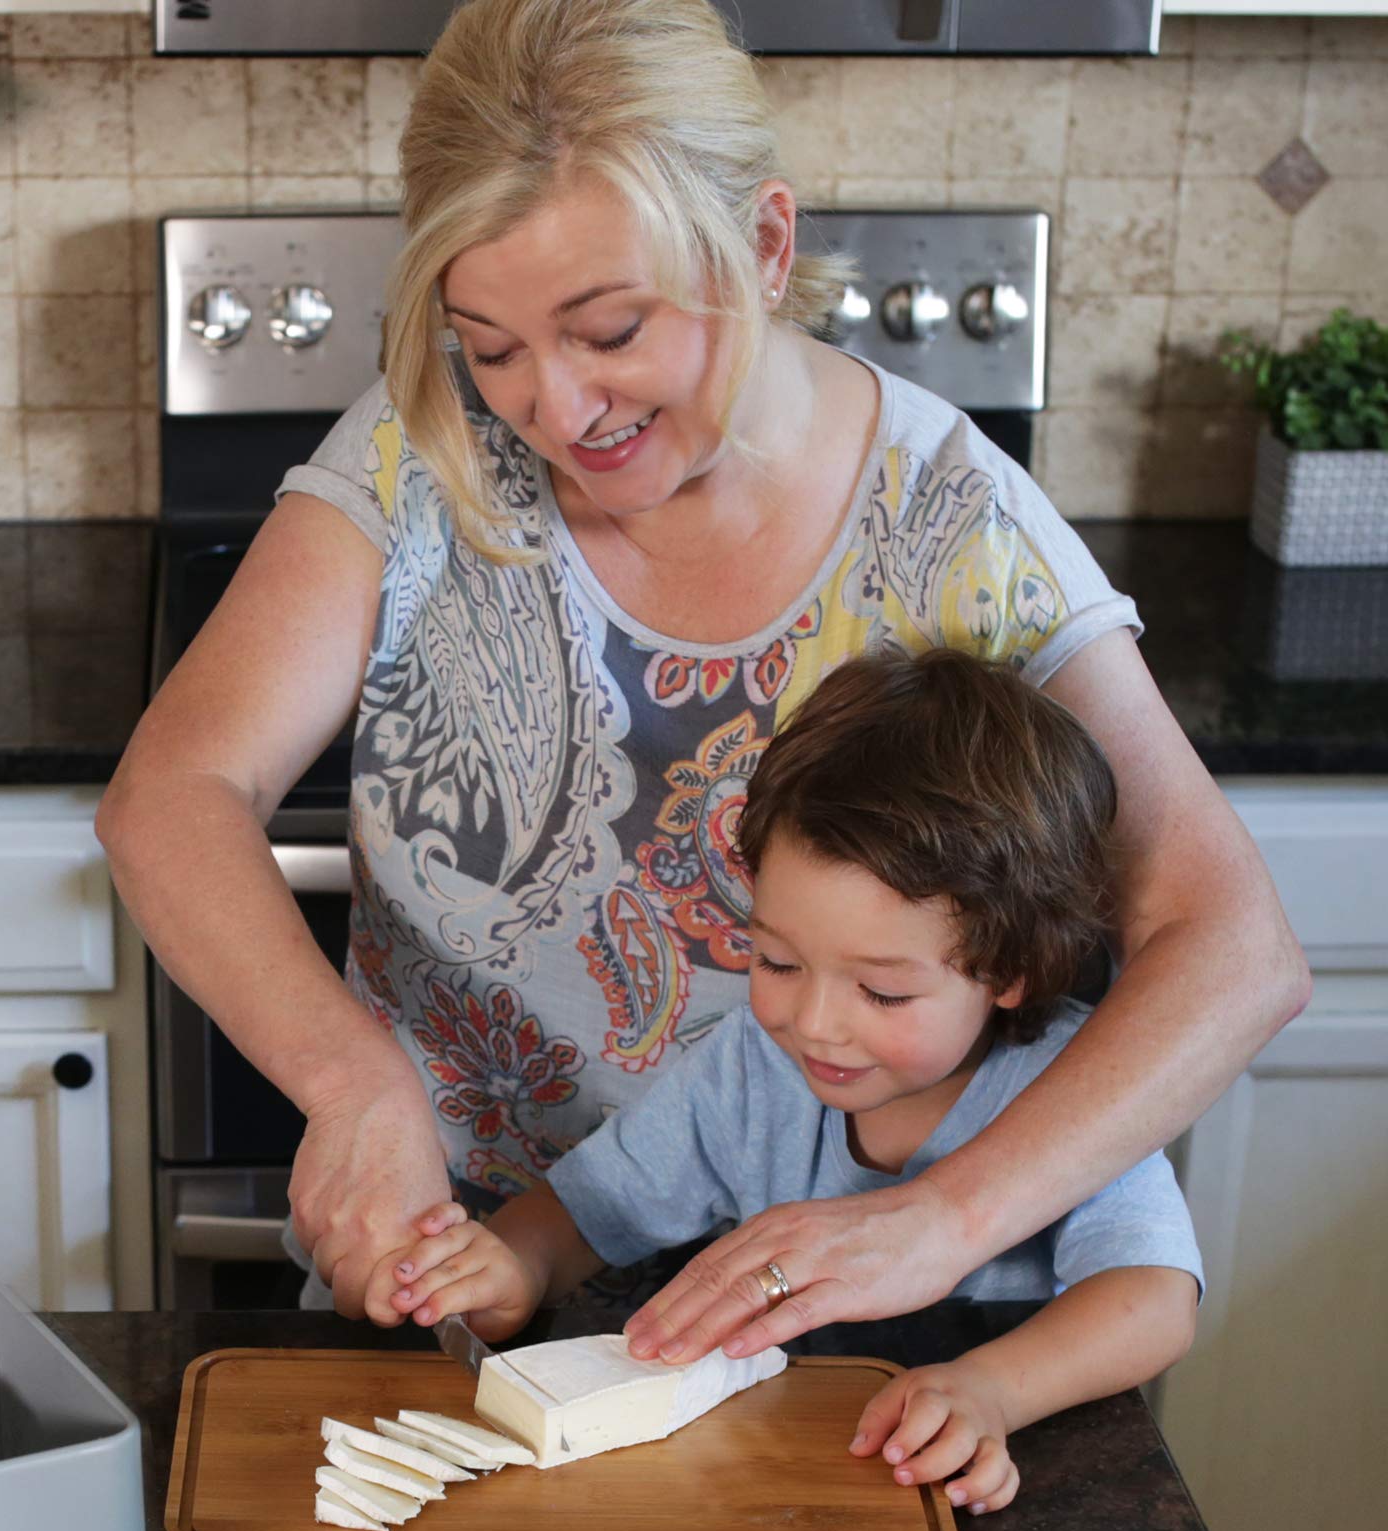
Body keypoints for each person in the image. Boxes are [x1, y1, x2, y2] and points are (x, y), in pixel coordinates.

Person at [97, 0, 1306, 1361]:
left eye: (609, 329)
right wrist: (352, 1085)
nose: (553, 409)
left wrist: (951, 1218)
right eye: (490, 345)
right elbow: (174, 793)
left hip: (835, 1314)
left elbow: (1235, 947)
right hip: (471, 1267)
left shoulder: (950, 524)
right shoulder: (419, 455)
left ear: (766, 246)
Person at [367, 650, 1203, 1515]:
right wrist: (512, 1267)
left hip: (1010, 1504)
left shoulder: (1079, 1095)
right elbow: (586, 1211)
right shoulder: (753, 1072)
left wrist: (990, 1391)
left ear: (1012, 969)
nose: (814, 1023)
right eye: (777, 960)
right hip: (793, 1501)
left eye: (881, 990)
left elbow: (1152, 1301)